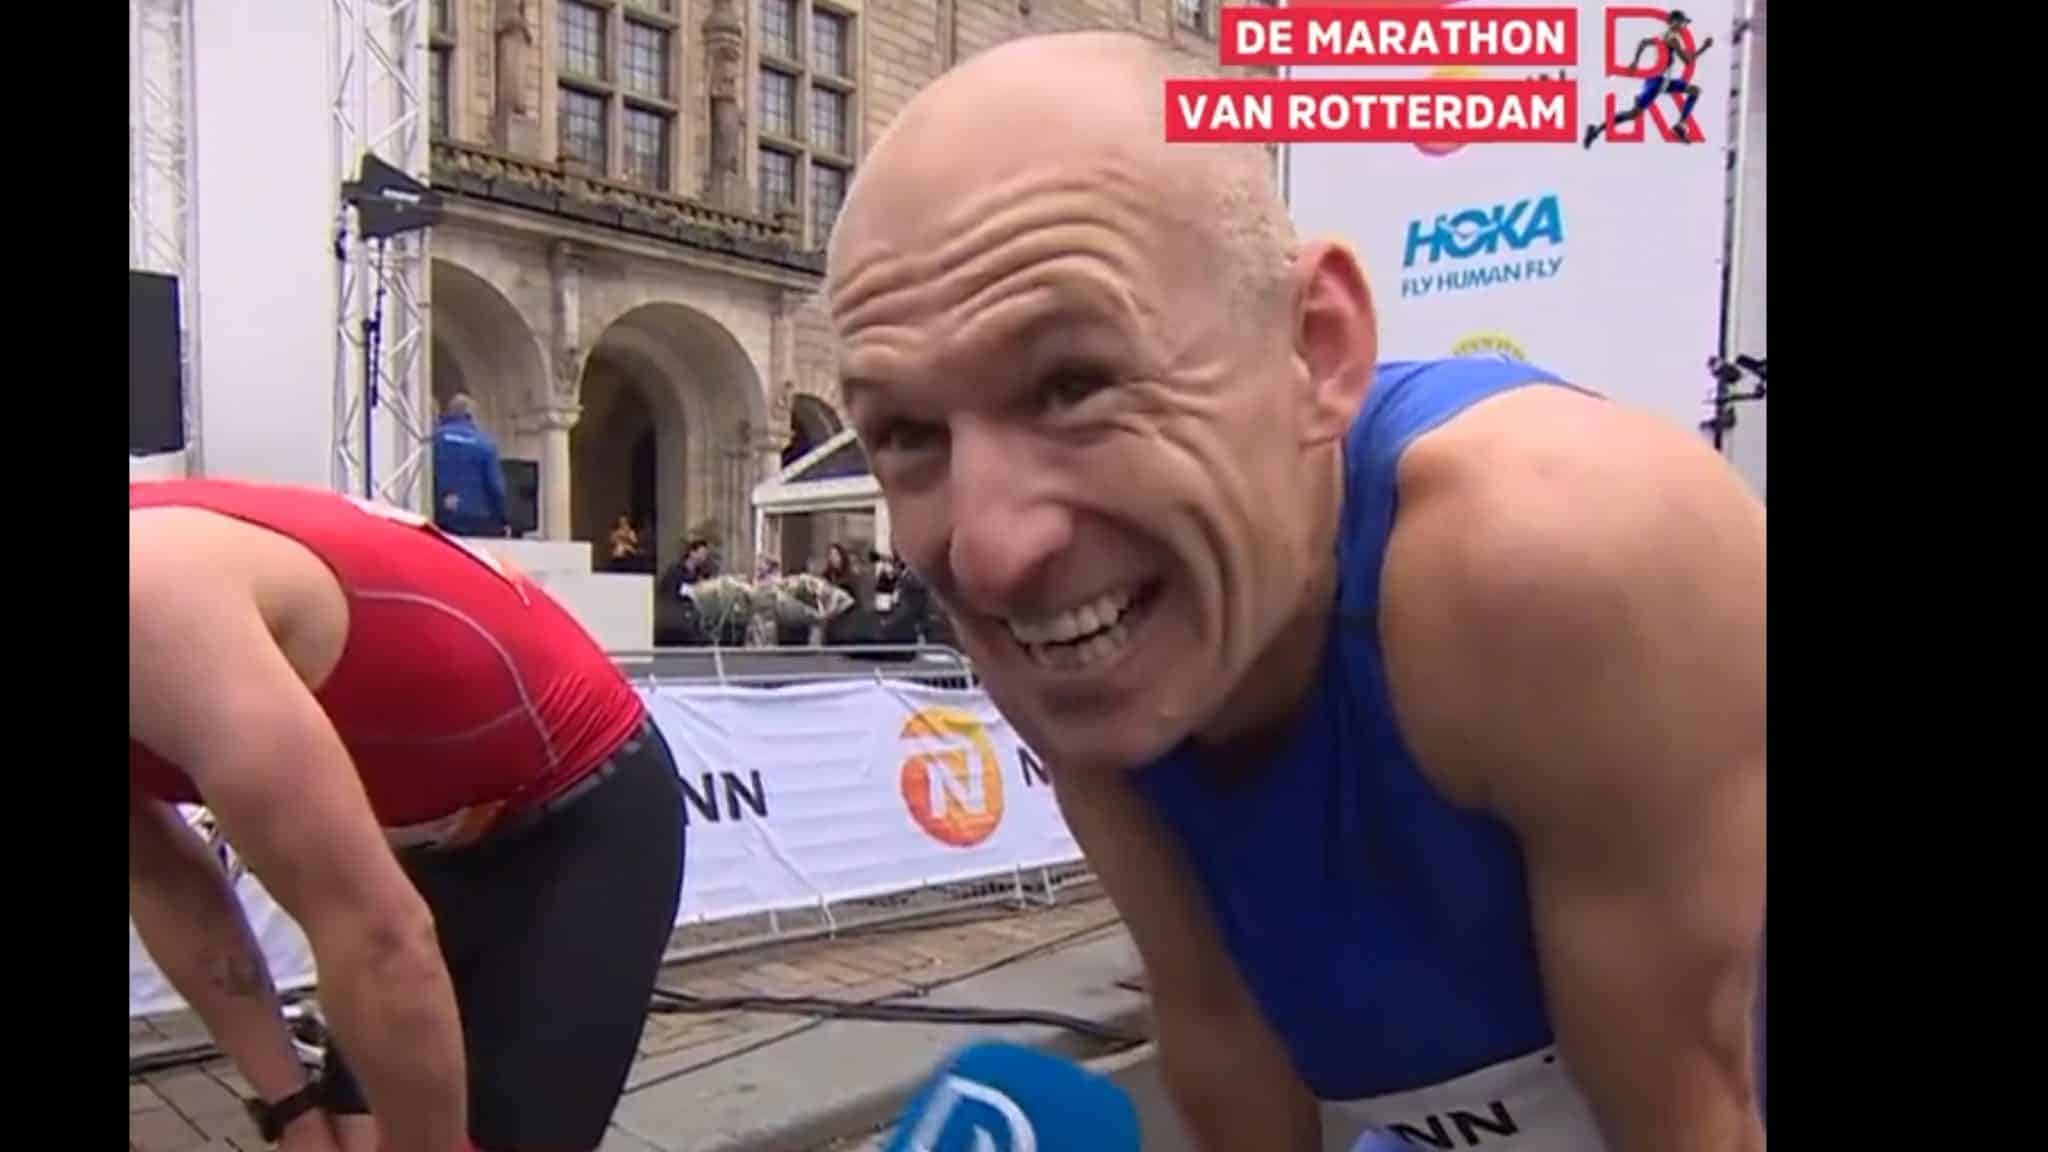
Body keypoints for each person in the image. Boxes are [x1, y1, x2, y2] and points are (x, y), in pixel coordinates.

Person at [825, 31, 1764, 1152]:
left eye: (1072, 383)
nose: (990, 550)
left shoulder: (1561, 555)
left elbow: (1685, 1109)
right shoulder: (1099, 625)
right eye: (907, 434)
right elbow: (1223, 1038)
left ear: (1315, 349)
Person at [129, 477, 687, 1152]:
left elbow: (382, 936)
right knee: (359, 1134)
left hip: (584, 802)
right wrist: (293, 1113)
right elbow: (164, 884)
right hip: (436, 827)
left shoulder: (152, 608)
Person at [1584, 10, 1714, 148]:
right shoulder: (1673, 38)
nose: (1684, 26)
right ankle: (1596, 129)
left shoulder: (1662, 36)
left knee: (1695, 91)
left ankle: (1680, 126)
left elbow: (1643, 42)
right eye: (1682, 23)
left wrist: (1635, 61)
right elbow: (1687, 61)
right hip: (1657, 82)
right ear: (1674, 22)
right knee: (1633, 114)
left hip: (1663, 81)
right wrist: (1704, 48)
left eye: (1684, 24)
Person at [431, 393, 512, 537]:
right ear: (470, 415)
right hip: (479, 522)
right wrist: (504, 519)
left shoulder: (434, 439)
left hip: (442, 520)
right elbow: (496, 487)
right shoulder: (485, 444)